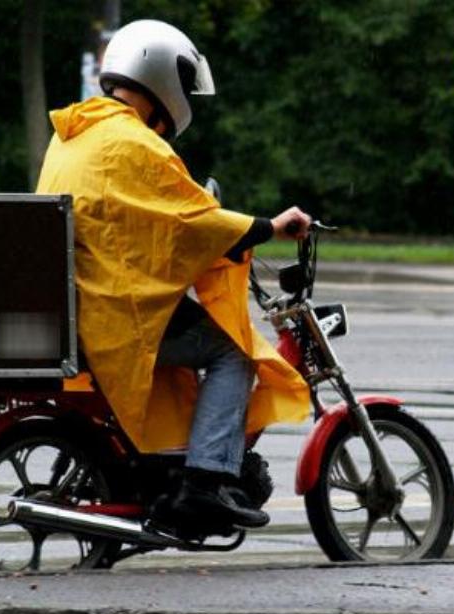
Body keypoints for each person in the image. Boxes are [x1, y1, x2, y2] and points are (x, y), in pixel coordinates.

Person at [36, 20, 312, 534]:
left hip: (87, 301)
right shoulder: (133, 143)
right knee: (232, 352)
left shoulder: (72, 136)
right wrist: (268, 226)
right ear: (161, 73)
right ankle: (204, 483)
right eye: (183, 82)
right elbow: (192, 221)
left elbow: (140, 221)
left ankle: (169, 466)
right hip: (121, 314)